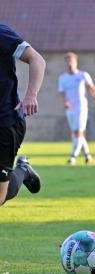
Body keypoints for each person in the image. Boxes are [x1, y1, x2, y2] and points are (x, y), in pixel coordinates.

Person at [0, 23, 45, 206]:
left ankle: (23, 170)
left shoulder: (2, 34)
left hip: (5, 122)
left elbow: (37, 60)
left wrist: (31, 95)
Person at [58, 52, 95, 165]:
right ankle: (88, 155)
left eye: (72, 61)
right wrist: (65, 102)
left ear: (76, 62)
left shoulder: (83, 75)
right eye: (68, 61)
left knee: (78, 132)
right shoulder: (62, 78)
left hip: (81, 107)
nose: (70, 63)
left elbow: (93, 89)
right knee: (77, 133)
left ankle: (72, 157)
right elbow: (61, 93)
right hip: (70, 109)